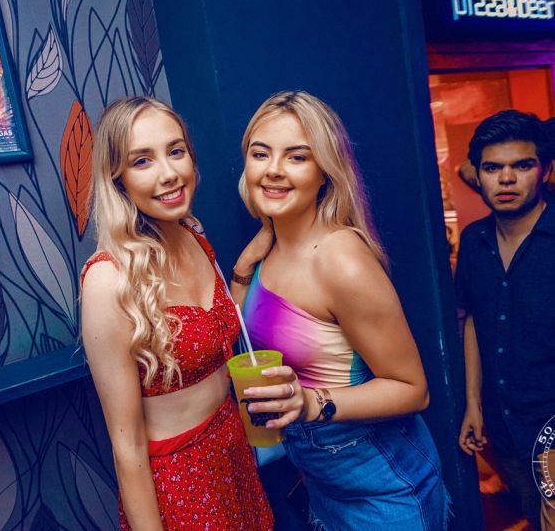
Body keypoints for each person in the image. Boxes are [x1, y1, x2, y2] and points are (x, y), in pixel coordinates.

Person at [231, 91, 449, 530]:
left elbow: (413, 390)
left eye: (297, 157)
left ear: (324, 173)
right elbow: (242, 335)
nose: (273, 169)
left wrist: (311, 402)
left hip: (384, 492)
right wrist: (241, 272)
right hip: (323, 487)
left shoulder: (341, 259)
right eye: (261, 153)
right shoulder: (267, 247)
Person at [80, 96, 273, 530]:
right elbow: (127, 446)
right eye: (142, 160)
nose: (169, 173)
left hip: (234, 451)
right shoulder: (108, 280)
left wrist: (245, 264)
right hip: (182, 481)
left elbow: (215, 327)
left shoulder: (193, 232)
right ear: (118, 179)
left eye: (176, 150)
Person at [456, 110, 555, 530]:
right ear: (478, 176)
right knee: (533, 512)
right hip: (504, 423)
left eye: (522, 165)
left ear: (545, 171)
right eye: (493, 168)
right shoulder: (474, 240)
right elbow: (473, 321)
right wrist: (473, 403)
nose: (507, 179)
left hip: (550, 419)